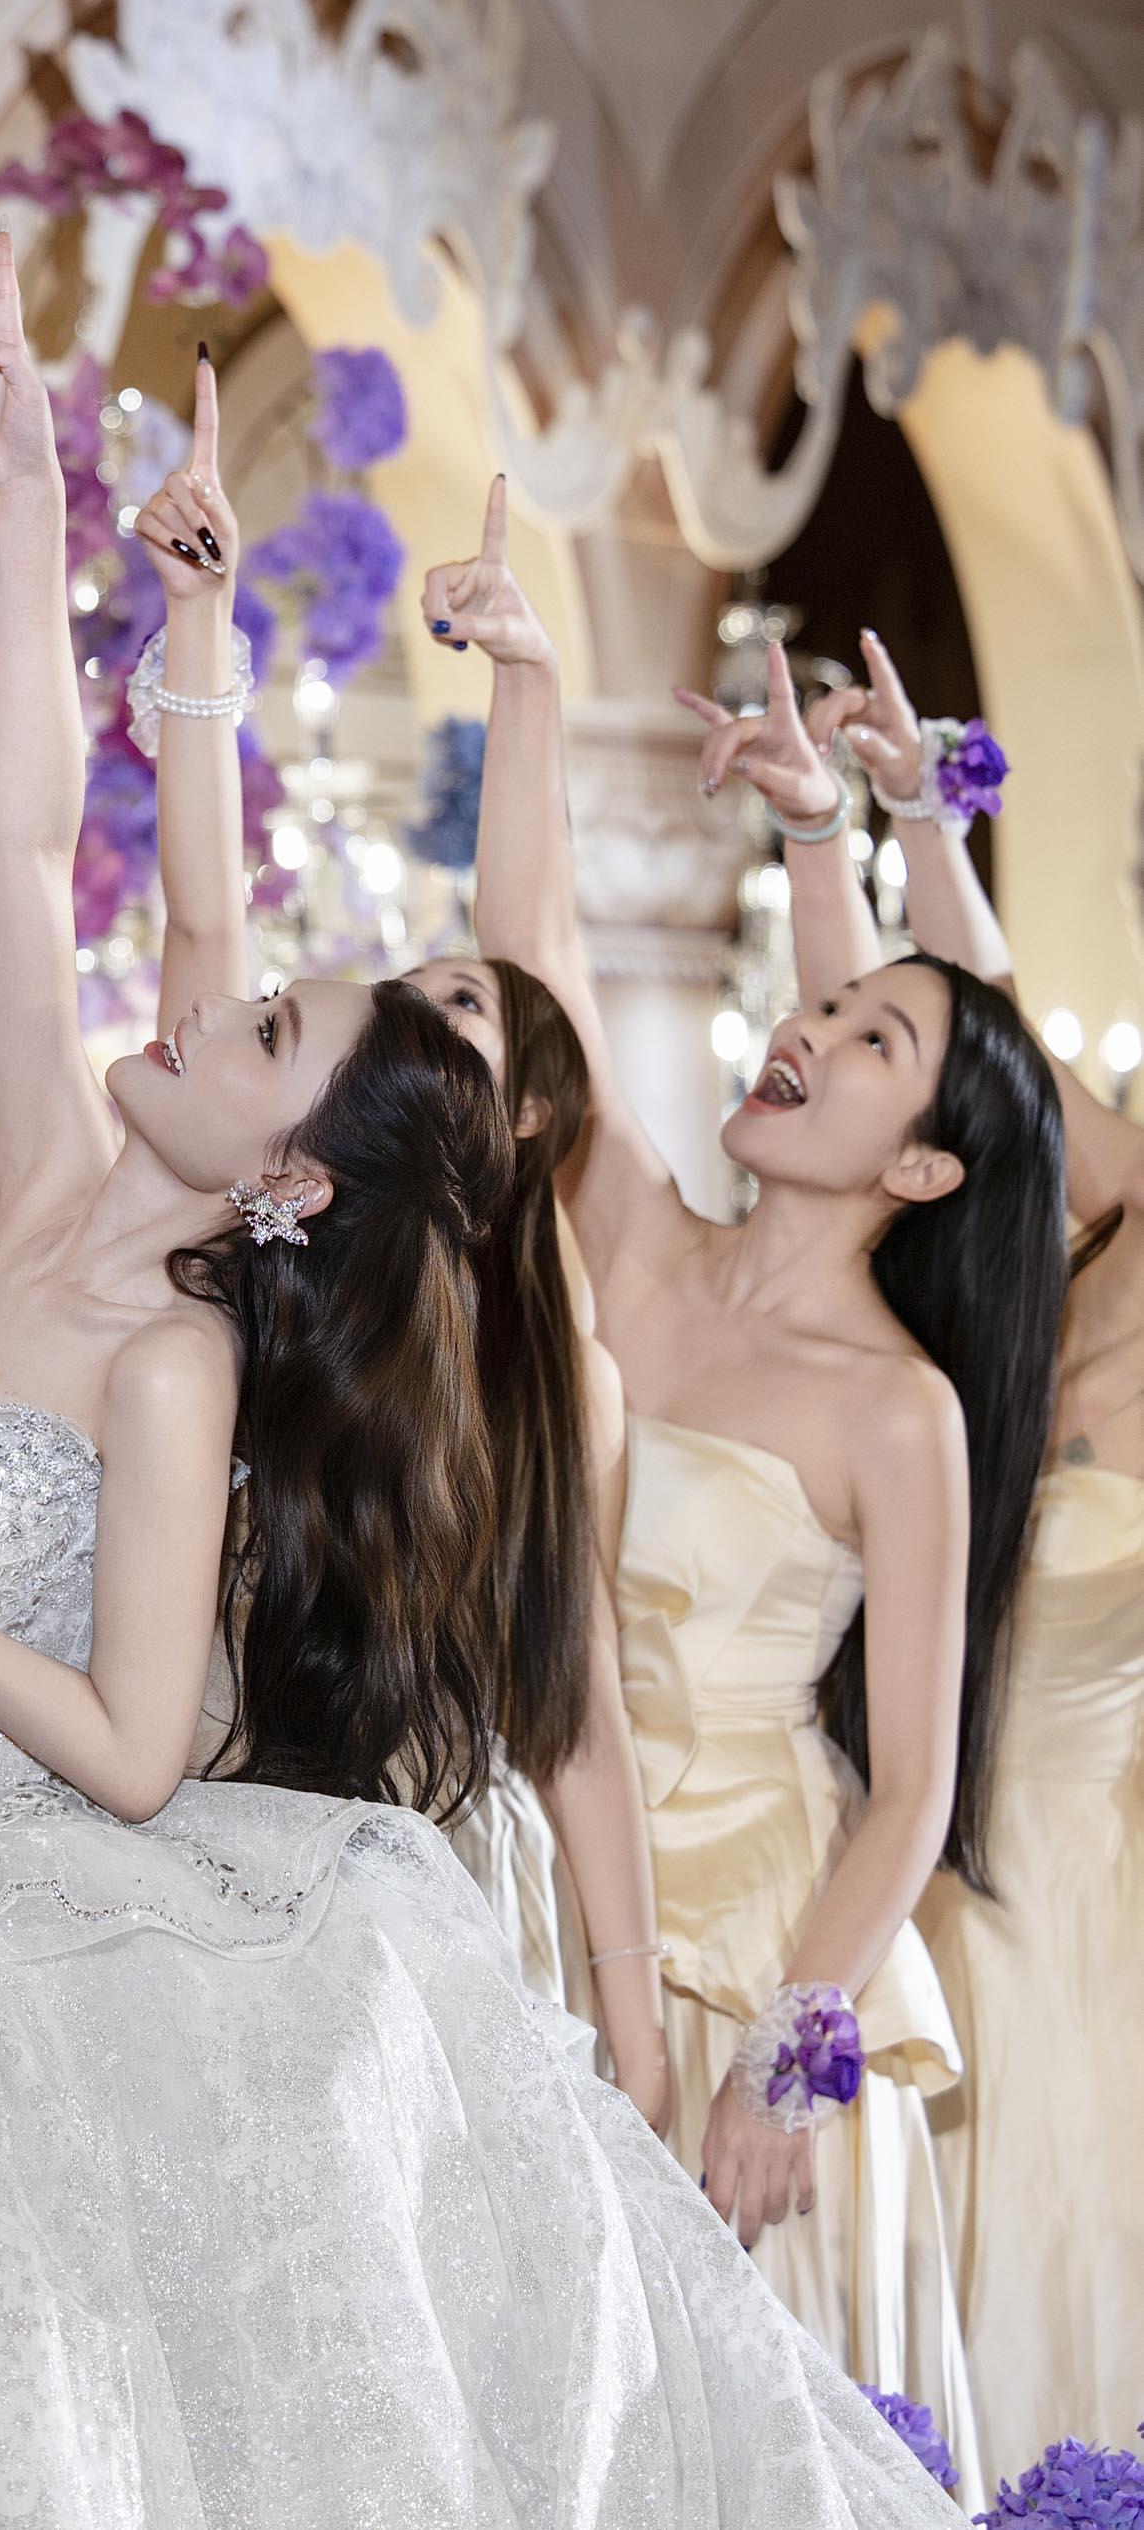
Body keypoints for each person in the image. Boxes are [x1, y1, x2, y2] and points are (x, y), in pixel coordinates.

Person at [0, 240, 949, 2530]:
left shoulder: (179, 1359)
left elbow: (136, 1748)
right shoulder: (51, 1187)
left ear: (285, 1169)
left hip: (11, 1950)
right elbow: (17, 837)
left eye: (259, 1025)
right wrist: (25, 497)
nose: (198, 997)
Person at [440, 483, 1065, 2497]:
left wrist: (795, 2058)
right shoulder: (635, 1240)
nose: (807, 1023)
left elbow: (908, 1790)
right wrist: (529, 684)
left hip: (759, 1955)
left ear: (919, 1169)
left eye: (869, 1037)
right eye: (822, 1003)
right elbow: (527, 972)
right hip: (545, 1885)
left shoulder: (901, 1409)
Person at [135, 361, 665, 2123]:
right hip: (208, 1829)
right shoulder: (276, 1224)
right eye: (414, 999)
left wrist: (638, 2027)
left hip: (422, 1896)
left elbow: (578, 1705)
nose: (429, 1011)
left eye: (466, 1023)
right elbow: (204, 927)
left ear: (512, 1128)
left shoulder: (543, 1359)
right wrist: (199, 623)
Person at [786, 627, 1144, 2473]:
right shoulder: (1066, 1235)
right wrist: (903, 817)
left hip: (1064, 1919)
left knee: (1028, 2362)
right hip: (880, 1837)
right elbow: (954, 1060)